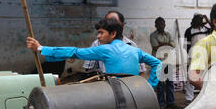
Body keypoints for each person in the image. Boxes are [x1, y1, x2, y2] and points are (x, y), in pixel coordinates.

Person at [26, 18, 161, 89]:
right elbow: (157, 63)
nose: (98, 36)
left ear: (113, 34)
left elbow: (74, 52)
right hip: (137, 93)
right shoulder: (135, 50)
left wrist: (41, 48)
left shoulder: (104, 49)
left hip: (117, 94)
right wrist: (150, 85)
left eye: (101, 33)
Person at [83, 11, 146, 76]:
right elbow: (89, 70)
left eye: (115, 22)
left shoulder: (131, 45)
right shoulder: (97, 44)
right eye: (107, 22)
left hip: (127, 83)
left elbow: (140, 72)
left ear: (122, 25)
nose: (111, 25)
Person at [149, 17, 179, 109]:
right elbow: (156, 47)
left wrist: (162, 44)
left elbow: (173, 45)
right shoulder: (153, 35)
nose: (161, 26)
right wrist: (167, 44)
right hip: (158, 62)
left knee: (169, 83)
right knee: (160, 84)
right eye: (158, 24)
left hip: (168, 61)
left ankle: (171, 103)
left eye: (162, 24)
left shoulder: (168, 34)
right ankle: (161, 104)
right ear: (156, 25)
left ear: (165, 25)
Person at [183, 13, 213, 103]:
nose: (200, 21)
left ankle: (204, 95)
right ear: (194, 20)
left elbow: (214, 28)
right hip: (194, 55)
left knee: (205, 75)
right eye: (198, 19)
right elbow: (186, 46)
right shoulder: (189, 31)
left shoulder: (206, 29)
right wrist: (188, 57)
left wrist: (207, 19)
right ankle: (189, 98)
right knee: (191, 76)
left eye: (201, 19)